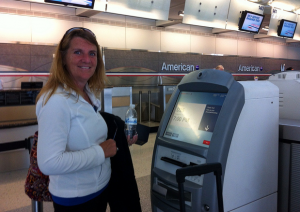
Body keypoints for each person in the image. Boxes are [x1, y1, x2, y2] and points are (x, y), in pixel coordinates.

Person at [36, 27, 138, 212]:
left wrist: (119, 142)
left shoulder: (87, 93)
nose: (87, 59)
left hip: (99, 189)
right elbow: (49, 162)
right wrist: (101, 152)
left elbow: (87, 137)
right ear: (63, 58)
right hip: (76, 199)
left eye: (92, 53)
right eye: (78, 52)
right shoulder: (56, 101)